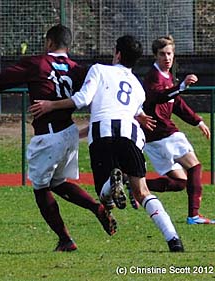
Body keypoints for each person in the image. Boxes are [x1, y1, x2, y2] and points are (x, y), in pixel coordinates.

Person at [29, 35, 185, 252]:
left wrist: (51, 105)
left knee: (102, 193)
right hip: (130, 136)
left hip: (102, 135)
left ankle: (112, 186)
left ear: (117, 53)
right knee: (143, 192)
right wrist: (139, 115)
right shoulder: (138, 87)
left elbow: (82, 100)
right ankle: (173, 239)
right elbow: (131, 109)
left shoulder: (99, 70)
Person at [0, 24, 117, 252]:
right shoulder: (76, 68)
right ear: (67, 45)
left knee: (41, 189)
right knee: (57, 183)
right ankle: (96, 208)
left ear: (49, 42)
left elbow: (1, 79)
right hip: (70, 132)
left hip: (48, 135)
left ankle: (65, 239)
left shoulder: (38, 63)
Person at [141, 35, 214, 224]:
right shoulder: (152, 77)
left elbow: (177, 103)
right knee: (195, 166)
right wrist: (181, 86)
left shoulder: (168, 76)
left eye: (170, 53)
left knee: (180, 183)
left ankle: (135, 186)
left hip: (155, 137)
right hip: (162, 132)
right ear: (155, 56)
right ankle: (194, 216)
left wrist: (197, 121)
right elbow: (159, 97)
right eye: (162, 54)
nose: (167, 58)